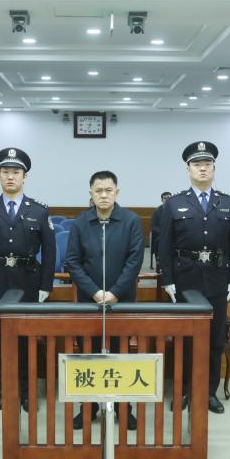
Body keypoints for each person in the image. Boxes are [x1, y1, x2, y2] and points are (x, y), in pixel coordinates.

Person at [158, 141, 230, 414]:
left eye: (207, 164)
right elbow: (164, 246)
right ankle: (183, 391)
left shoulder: (228, 203)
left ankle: (208, 392)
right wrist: (168, 281)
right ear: (188, 170)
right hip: (185, 279)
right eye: (197, 164)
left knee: (215, 339)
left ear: (214, 168)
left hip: (218, 279)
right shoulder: (174, 204)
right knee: (184, 339)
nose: (202, 169)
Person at [0, 147, 56, 413]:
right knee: (2, 342)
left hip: (28, 283)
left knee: (26, 341)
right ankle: (5, 391)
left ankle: (27, 391)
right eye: (6, 172)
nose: (11, 177)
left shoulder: (39, 211)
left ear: (25, 177)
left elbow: (50, 252)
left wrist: (45, 286)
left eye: (16, 172)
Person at [65, 170, 144, 430]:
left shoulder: (131, 221)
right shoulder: (81, 223)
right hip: (89, 302)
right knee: (89, 354)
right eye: (98, 190)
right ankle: (87, 408)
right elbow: (73, 262)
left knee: (121, 354)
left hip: (121, 301)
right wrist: (95, 292)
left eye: (108, 190)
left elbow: (135, 261)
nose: (103, 195)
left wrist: (115, 293)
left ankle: (123, 407)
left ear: (117, 192)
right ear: (91, 193)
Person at [150, 191, 172, 268]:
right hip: (161, 236)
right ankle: (159, 263)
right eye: (165, 198)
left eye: (169, 198)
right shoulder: (157, 212)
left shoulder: (176, 210)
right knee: (159, 241)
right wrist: (164, 233)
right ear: (161, 200)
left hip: (173, 235)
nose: (167, 200)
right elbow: (154, 227)